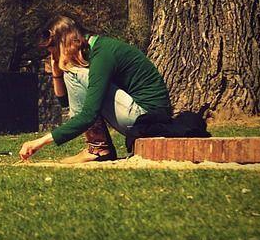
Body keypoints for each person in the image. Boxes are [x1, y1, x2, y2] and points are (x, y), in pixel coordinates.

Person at [18, 15, 172, 163]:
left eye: (53, 48)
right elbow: (66, 102)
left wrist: (39, 142)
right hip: (140, 117)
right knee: (71, 71)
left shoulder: (102, 55)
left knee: (72, 71)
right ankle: (98, 147)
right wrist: (56, 73)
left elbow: (88, 115)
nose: (51, 54)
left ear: (66, 41)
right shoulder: (93, 51)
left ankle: (97, 149)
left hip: (146, 119)